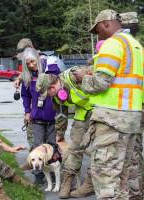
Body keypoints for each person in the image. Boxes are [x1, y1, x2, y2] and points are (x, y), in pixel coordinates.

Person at [73, 9, 143, 199]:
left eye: (97, 31)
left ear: (106, 23)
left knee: (106, 177)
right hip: (131, 119)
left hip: (112, 119)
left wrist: (82, 78)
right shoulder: (136, 46)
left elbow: (101, 83)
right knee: (123, 176)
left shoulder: (113, 44)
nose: (98, 36)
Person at [36, 65, 94, 198]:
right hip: (82, 115)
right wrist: (60, 136)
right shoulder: (55, 96)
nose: (48, 97)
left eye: (47, 93)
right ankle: (67, 182)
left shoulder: (74, 76)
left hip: (100, 111)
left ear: (51, 87)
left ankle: (90, 183)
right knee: (75, 149)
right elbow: (61, 115)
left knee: (98, 150)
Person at [19, 47, 58, 185]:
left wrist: (47, 64)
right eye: (28, 63)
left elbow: (58, 75)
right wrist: (27, 112)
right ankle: (38, 174)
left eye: (33, 62)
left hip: (52, 116)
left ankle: (53, 172)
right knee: (37, 147)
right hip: (37, 118)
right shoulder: (27, 76)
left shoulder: (49, 68)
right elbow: (25, 95)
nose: (31, 65)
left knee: (52, 146)